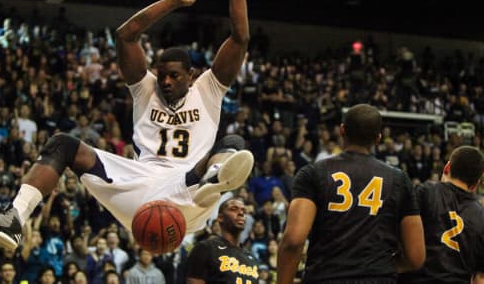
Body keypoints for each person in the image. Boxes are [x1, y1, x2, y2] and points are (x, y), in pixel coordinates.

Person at [0, 0, 254, 250]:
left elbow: (240, 37)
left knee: (233, 142)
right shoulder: (145, 88)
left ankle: (212, 179)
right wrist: (173, 1)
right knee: (63, 144)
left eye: (174, 76)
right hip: (139, 188)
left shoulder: (208, 89)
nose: (165, 81)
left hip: (188, 189)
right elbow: (125, 35)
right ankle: (14, 219)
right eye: (162, 75)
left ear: (191, 76)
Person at [276, 103, 426, 284]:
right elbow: (416, 257)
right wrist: (383, 267)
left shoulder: (313, 173)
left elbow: (293, 240)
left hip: (326, 277)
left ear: (342, 130)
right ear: (378, 138)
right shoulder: (399, 180)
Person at [399, 145, 484, 284]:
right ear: (475, 185)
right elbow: (480, 278)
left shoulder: (424, 192)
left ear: (447, 168)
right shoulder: (481, 215)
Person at [185, 197, 260, 284]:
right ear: (220, 218)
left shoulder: (251, 258)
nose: (241, 213)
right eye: (233, 209)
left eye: (243, 210)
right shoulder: (206, 248)